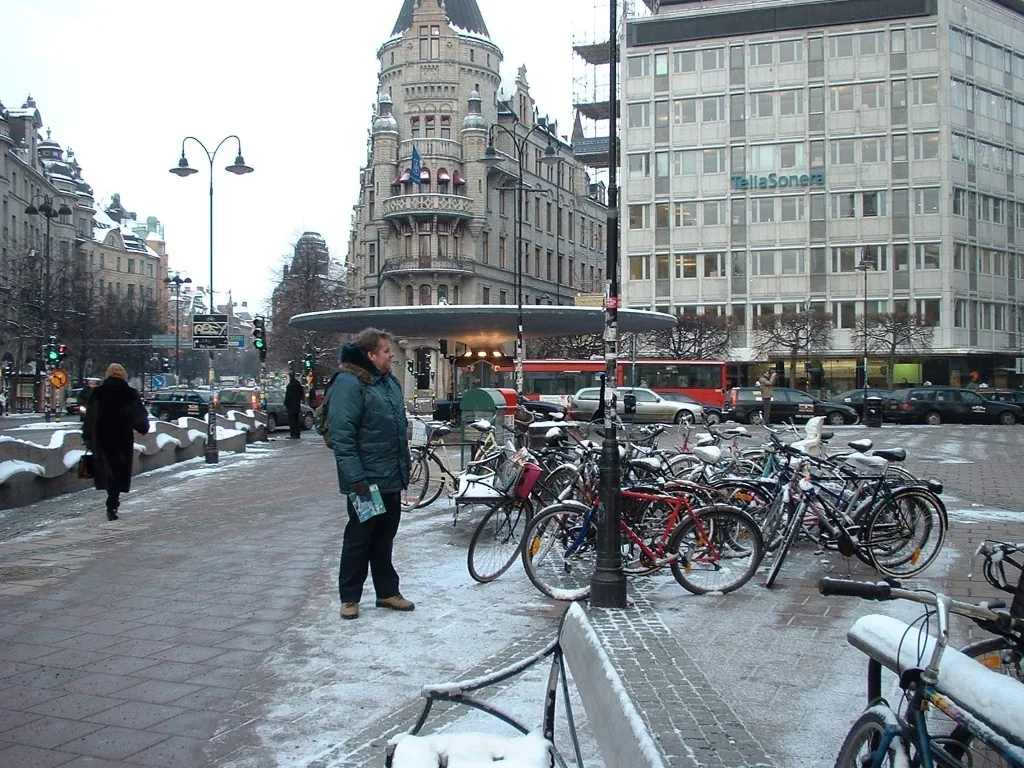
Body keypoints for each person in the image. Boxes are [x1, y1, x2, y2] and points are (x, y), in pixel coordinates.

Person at [329, 328, 412, 620]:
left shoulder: (388, 382)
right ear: (370, 354)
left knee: (385, 537)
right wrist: (356, 479)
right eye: (386, 351)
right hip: (366, 480)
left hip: (390, 475)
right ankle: (349, 597)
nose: (391, 355)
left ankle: (387, 592)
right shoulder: (349, 383)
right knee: (359, 538)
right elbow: (342, 435)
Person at [82, 363, 149, 521]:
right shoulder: (129, 393)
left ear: (107, 375)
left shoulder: (97, 393)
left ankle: (111, 500)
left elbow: (89, 417)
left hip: (102, 438)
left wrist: (87, 436)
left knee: (106, 469)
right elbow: (138, 416)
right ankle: (112, 502)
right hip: (121, 438)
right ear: (123, 375)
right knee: (118, 470)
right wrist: (142, 427)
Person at [284, 374, 304, 439]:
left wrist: (285, 403)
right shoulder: (298, 385)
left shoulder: (290, 386)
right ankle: (297, 434)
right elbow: (301, 394)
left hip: (290, 406)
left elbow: (288, 396)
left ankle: (293, 434)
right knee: (296, 420)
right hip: (297, 405)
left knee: (292, 421)